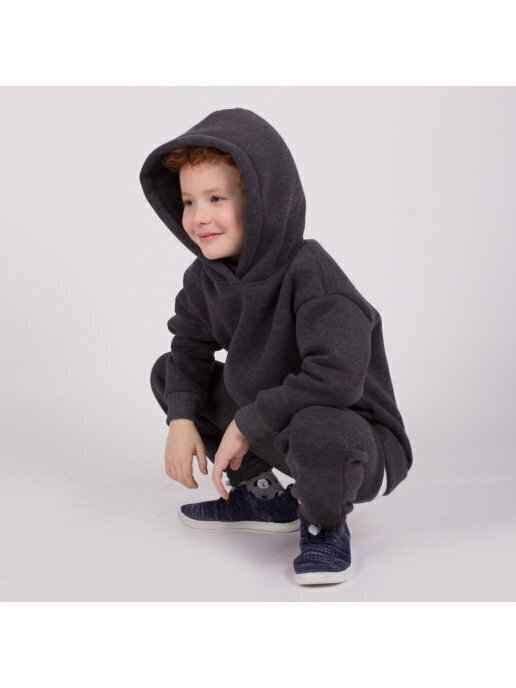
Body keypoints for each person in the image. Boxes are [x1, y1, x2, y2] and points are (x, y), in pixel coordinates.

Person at [139, 107, 413, 586]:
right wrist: (181, 419)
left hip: (355, 439)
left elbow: (336, 379)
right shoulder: (204, 279)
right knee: (171, 374)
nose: (199, 218)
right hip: (276, 423)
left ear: (262, 201)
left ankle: (325, 522)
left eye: (216, 198)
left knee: (317, 427)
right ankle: (262, 496)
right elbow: (188, 349)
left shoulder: (313, 273)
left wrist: (247, 422)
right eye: (188, 201)